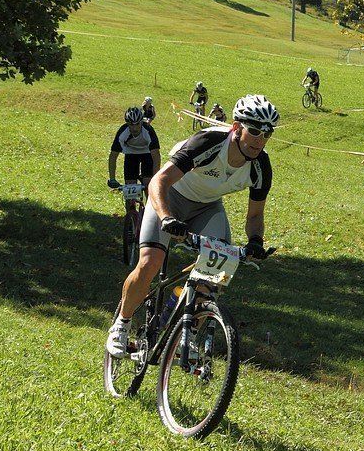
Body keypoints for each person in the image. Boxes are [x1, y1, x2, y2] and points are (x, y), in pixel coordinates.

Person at [106, 94, 279, 358]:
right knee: (150, 262)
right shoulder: (209, 143)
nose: (260, 139)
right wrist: (166, 218)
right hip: (169, 197)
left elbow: (255, 216)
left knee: (213, 276)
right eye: (254, 131)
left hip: (207, 208)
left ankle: (184, 333)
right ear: (236, 127)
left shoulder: (261, 166)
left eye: (267, 134)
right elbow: (159, 182)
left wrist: (255, 242)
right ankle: (122, 323)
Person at [107, 107, 162, 193]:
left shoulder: (148, 130)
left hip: (147, 153)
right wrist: (112, 179)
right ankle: (131, 201)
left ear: (141, 122)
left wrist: (155, 178)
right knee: (130, 186)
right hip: (131, 154)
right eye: (131, 125)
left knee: (148, 185)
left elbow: (156, 156)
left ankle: (149, 200)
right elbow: (113, 156)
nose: (135, 128)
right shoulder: (123, 132)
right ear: (127, 124)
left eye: (137, 124)